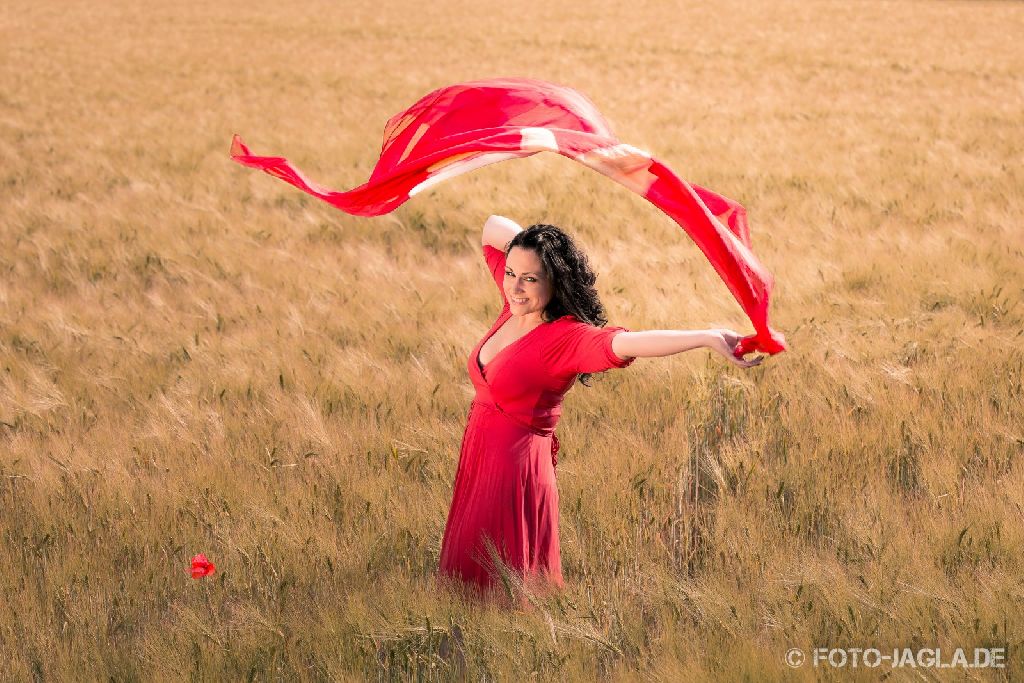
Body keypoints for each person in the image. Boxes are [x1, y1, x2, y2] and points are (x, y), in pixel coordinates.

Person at [436, 215, 763, 607]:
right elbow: (491, 226)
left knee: (503, 589)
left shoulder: (567, 337)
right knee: (465, 582)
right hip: (478, 458)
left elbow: (627, 344)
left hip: (514, 474)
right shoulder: (513, 305)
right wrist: (536, 246)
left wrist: (707, 337)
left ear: (555, 282)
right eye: (510, 273)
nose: (515, 287)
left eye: (530, 279)